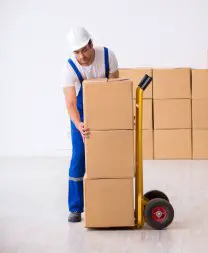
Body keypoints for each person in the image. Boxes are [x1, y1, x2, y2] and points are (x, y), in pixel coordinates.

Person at [62, 27, 119, 222]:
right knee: (79, 156)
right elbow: (70, 103)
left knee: (109, 153)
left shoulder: (107, 56)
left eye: (84, 50)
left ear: (91, 44)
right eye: (76, 52)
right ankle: (76, 207)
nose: (81, 56)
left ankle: (110, 200)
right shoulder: (69, 68)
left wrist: (117, 116)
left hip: (105, 107)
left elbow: (116, 88)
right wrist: (79, 125)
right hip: (81, 113)